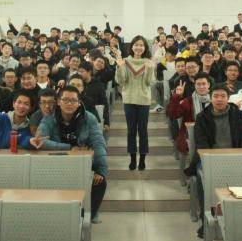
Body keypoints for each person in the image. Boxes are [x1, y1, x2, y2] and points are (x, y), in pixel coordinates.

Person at [185, 83, 242, 239]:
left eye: (223, 96)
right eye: (216, 96)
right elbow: (202, 144)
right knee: (203, 178)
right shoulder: (202, 117)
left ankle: (240, 219)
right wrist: (214, 160)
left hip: (235, 158)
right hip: (209, 158)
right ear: (210, 98)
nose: (219, 99)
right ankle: (206, 221)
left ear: (228, 98)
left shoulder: (238, 115)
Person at [33, 86, 108, 224]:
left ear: (79, 103)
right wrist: (69, 148)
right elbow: (40, 141)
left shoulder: (89, 118)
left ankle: (86, 218)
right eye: (65, 100)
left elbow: (98, 144)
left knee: (100, 182)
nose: (69, 103)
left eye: (73, 100)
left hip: (81, 164)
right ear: (58, 102)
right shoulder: (49, 118)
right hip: (57, 164)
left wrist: (100, 171)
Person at [115, 35, 156, 171]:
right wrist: (120, 66)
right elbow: (121, 81)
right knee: (131, 131)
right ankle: (133, 158)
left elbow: (149, 82)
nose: (138, 47)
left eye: (141, 45)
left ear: (145, 48)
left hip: (144, 100)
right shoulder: (125, 61)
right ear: (131, 46)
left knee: (143, 131)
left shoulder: (148, 62)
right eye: (136, 45)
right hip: (129, 100)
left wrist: (150, 69)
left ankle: (142, 159)